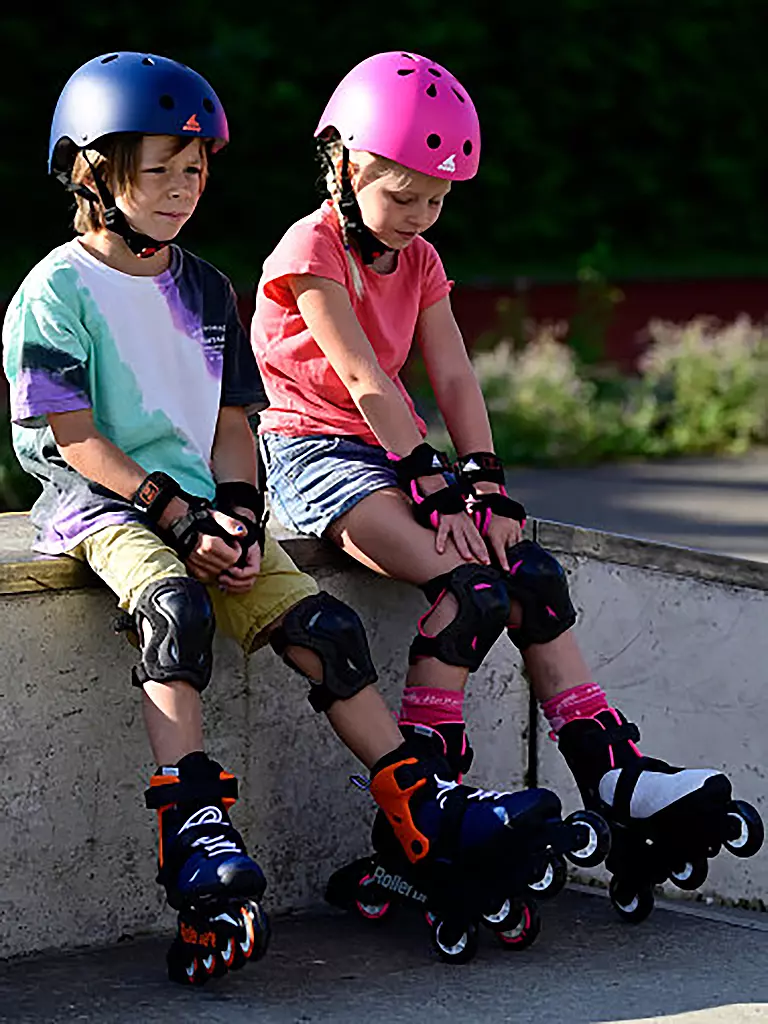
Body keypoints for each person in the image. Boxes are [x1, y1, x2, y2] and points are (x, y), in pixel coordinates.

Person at [2, 51, 580, 982]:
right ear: (92, 173)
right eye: (161, 171)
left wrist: (233, 507)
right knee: (173, 610)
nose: (184, 190)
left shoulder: (201, 286)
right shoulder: (53, 292)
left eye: (196, 171)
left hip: (201, 502)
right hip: (101, 505)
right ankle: (194, 830)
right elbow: (72, 438)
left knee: (328, 628)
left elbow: (237, 425)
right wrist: (176, 516)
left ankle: (420, 811)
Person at [250, 50, 763, 925]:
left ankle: (612, 771)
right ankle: (422, 818)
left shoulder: (420, 258)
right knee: (471, 590)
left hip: (392, 454)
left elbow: (452, 375)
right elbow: (366, 378)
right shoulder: (310, 249)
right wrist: (436, 488)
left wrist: (483, 482)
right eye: (402, 195)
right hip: (316, 456)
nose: (419, 216)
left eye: (437, 199)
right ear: (340, 165)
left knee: (531, 577)